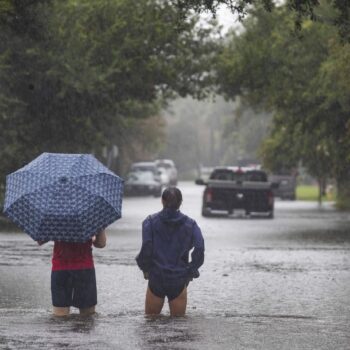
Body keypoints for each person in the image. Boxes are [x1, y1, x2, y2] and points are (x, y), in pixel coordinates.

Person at [136, 187, 204, 316]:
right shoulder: (191, 224)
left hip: (156, 277)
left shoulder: (149, 222)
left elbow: (146, 247)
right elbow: (199, 248)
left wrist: (145, 268)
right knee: (178, 329)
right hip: (178, 279)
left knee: (151, 325)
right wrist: (191, 271)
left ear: (162, 201)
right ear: (181, 202)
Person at [38, 230, 106, 316]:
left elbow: (40, 241)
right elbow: (101, 244)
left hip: (60, 269)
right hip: (84, 269)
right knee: (88, 316)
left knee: (60, 315)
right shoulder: (91, 218)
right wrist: (98, 230)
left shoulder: (56, 217)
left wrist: (57, 232)